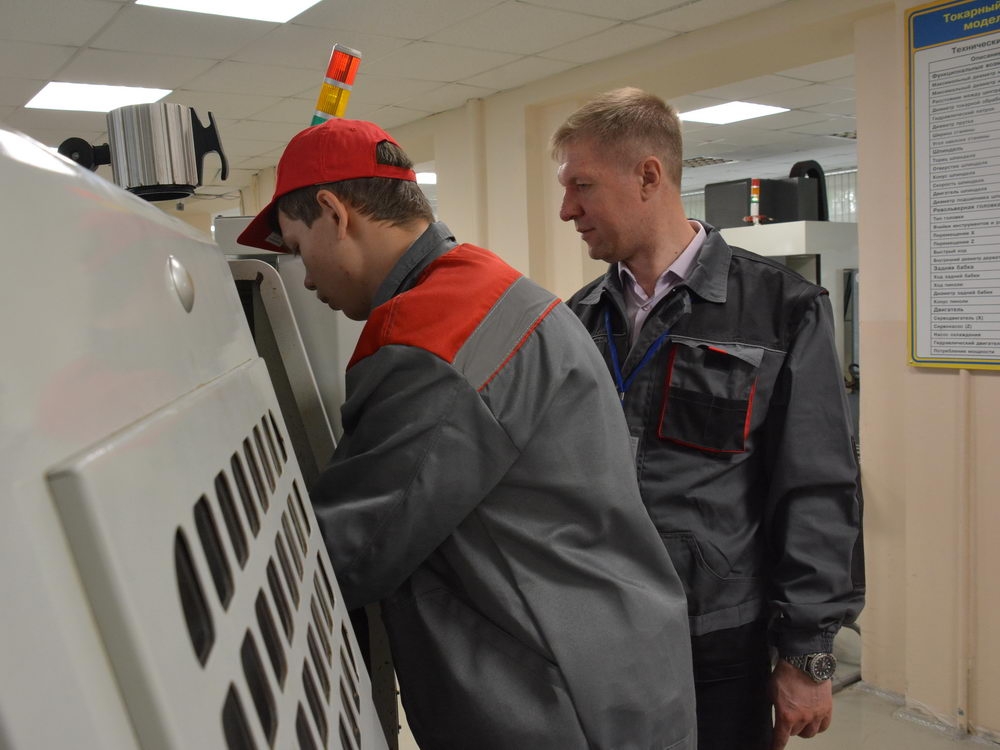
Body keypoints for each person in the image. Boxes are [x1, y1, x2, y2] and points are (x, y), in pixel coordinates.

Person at [237, 117, 697, 750]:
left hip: (558, 699)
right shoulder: (489, 286)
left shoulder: (434, 334)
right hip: (613, 663)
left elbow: (353, 549)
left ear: (334, 213)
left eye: (295, 247)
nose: (306, 277)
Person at [551, 88, 864, 750]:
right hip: (600, 631)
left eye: (582, 185)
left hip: (717, 642)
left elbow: (817, 489)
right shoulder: (578, 319)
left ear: (648, 176)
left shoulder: (783, 309)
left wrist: (807, 654)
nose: (567, 209)